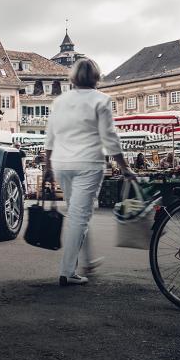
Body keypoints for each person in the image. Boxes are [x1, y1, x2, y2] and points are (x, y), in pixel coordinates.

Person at [45, 59, 136, 286]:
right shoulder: (101, 100)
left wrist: (47, 167)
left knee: (78, 213)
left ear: (72, 77)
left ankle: (86, 260)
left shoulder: (60, 101)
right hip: (88, 163)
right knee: (80, 215)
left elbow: (50, 136)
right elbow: (109, 137)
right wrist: (124, 167)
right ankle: (67, 271)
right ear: (96, 77)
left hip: (61, 163)